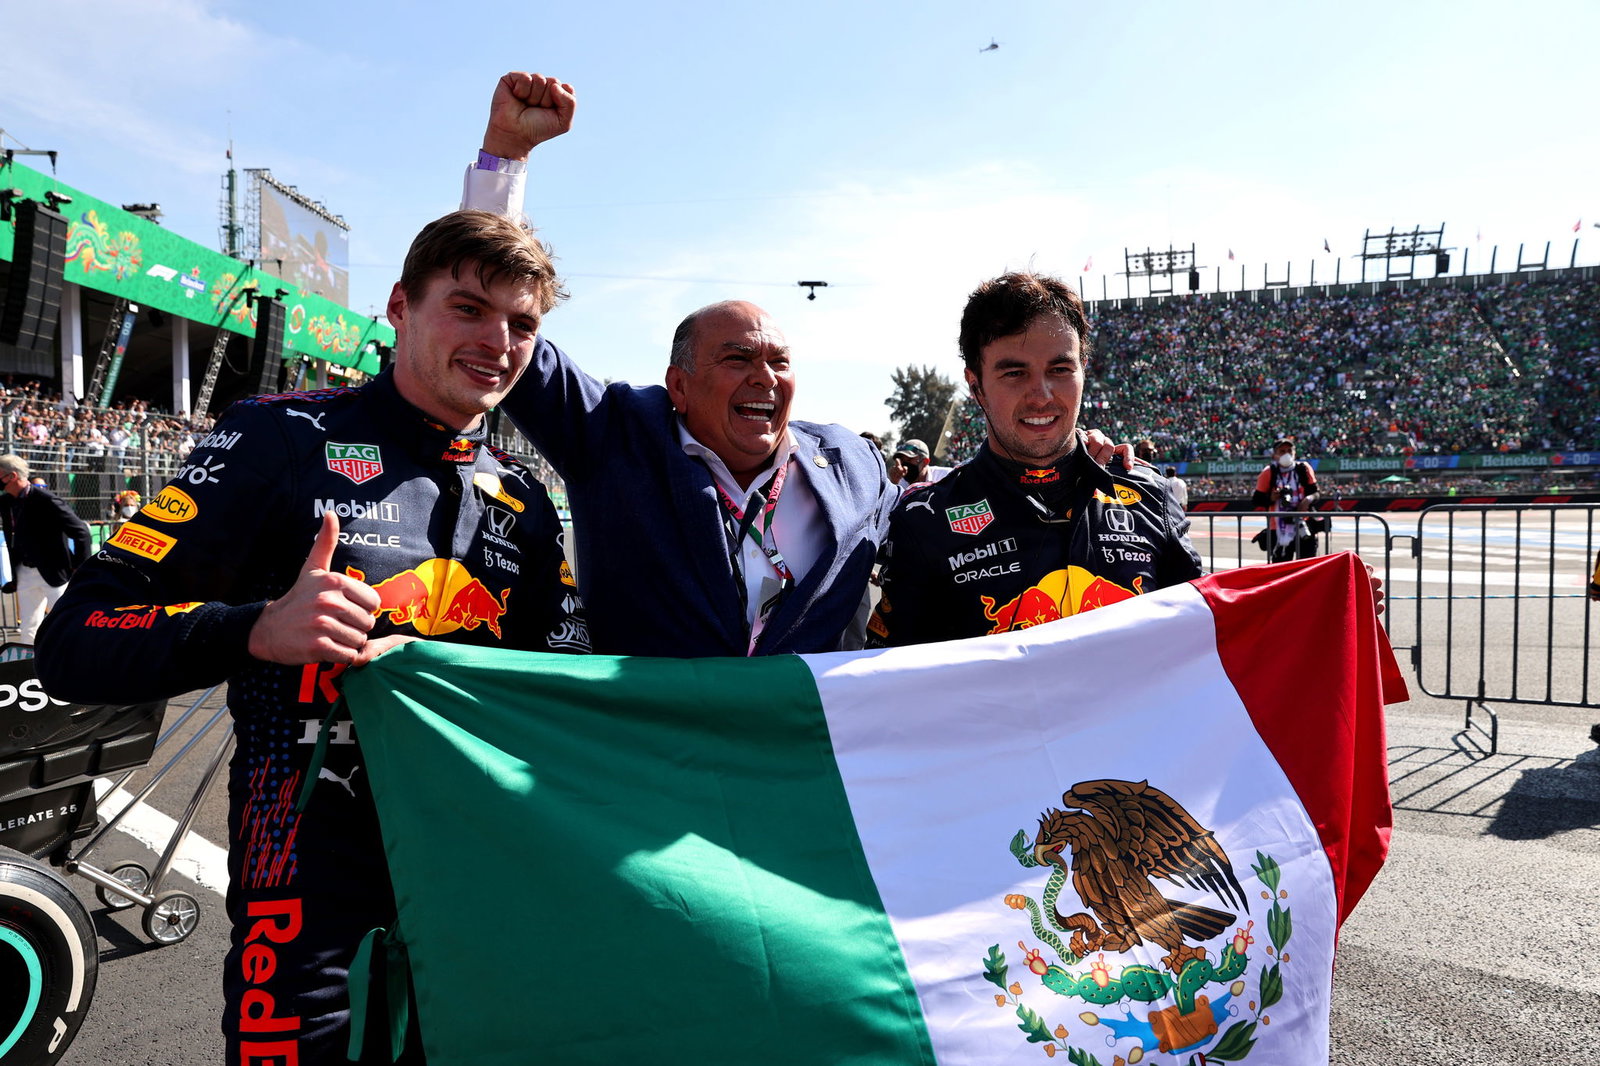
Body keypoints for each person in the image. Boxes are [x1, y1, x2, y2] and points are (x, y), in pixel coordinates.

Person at [36, 210, 589, 1064]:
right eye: (470, 309)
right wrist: (255, 628)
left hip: (474, 886)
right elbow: (73, 640)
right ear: (400, 307)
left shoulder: (523, 497)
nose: (499, 340)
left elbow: (571, 691)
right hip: (305, 905)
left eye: (523, 324)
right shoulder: (276, 437)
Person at [866, 273, 1204, 647]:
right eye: (1015, 373)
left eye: (1060, 370)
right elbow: (889, 683)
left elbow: (1203, 643)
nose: (1041, 396)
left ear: (1083, 369)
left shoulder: (1149, 495)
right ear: (975, 384)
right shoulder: (924, 521)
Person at [0, 454, 91, 644]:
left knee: (68, 622)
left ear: (12, 476)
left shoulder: (45, 499)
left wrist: (78, 567)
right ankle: (28, 671)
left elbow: (81, 531)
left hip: (54, 573)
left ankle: (79, 664)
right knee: (29, 627)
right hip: (24, 571)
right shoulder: (7, 502)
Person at [1251, 436, 1321, 564]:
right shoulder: (1269, 472)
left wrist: (1308, 499)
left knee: (1307, 566)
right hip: (1278, 527)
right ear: (1275, 455)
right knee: (1281, 567)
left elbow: (1316, 493)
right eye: (1282, 451)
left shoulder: (1303, 469)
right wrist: (1271, 498)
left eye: (1289, 451)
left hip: (1303, 524)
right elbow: (1256, 499)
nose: (1286, 454)